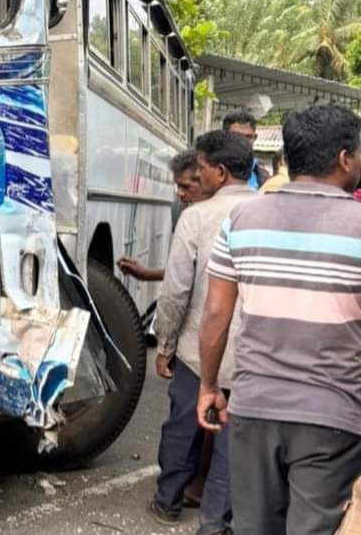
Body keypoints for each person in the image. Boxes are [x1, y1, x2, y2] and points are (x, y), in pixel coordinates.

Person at [199, 104, 361, 535]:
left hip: (253, 406)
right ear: (345, 158)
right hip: (332, 415)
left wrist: (209, 385)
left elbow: (216, 313)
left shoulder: (242, 219)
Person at [147, 130, 255, 534]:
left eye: (203, 169)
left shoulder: (196, 217)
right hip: (251, 352)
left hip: (197, 348)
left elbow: (175, 290)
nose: (198, 176)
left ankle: (168, 501)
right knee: (233, 438)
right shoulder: (269, 213)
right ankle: (215, 521)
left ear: (220, 173)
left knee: (182, 426)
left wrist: (164, 344)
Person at [118, 149, 208, 282]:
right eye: (178, 186)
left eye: (185, 187)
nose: (179, 193)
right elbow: (184, 271)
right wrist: (145, 274)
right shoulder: (179, 208)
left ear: (204, 181)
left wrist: (146, 275)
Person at [221, 110, 269, 190]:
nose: (242, 142)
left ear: (254, 138)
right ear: (224, 137)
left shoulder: (262, 176)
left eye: (248, 137)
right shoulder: (209, 171)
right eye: (236, 136)